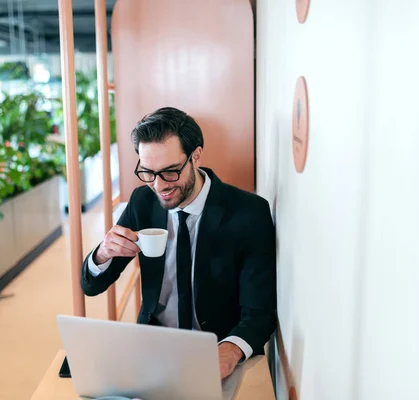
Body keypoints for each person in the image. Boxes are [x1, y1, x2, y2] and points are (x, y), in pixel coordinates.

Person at [80, 107, 276, 379]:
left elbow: (260, 311)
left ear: (196, 156)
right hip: (152, 350)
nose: (159, 185)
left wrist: (230, 351)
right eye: (148, 172)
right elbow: (92, 286)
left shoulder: (248, 212)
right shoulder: (142, 201)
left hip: (217, 351)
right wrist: (101, 255)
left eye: (170, 172)